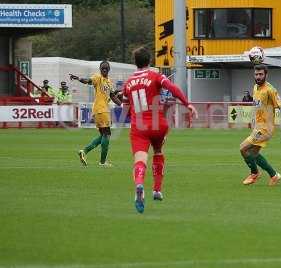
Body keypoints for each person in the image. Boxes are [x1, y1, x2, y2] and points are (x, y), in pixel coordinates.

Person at [123, 47, 198, 213]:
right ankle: (157, 190)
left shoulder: (128, 82)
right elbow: (173, 88)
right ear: (149, 61)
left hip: (139, 127)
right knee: (158, 152)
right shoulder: (155, 76)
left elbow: (124, 105)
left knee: (140, 160)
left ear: (135, 63)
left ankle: (139, 185)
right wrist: (188, 104)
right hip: (159, 125)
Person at [239, 64, 281, 187]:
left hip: (265, 129)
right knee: (254, 154)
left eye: (261, 74)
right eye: (256, 74)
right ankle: (274, 175)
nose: (258, 77)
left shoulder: (270, 90)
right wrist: (253, 121)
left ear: (266, 75)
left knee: (243, 148)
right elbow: (256, 107)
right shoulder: (255, 87)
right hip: (259, 127)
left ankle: (254, 173)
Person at [69, 61, 122, 167]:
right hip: (101, 110)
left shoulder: (109, 82)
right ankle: (102, 162)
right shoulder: (97, 77)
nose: (104, 69)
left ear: (109, 69)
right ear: (100, 69)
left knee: (103, 135)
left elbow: (113, 97)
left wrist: (121, 103)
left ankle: (84, 151)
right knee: (107, 135)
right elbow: (88, 81)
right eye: (103, 68)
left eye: (106, 68)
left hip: (101, 110)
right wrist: (79, 78)